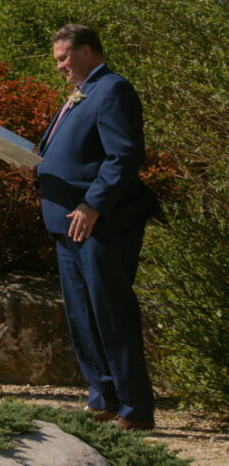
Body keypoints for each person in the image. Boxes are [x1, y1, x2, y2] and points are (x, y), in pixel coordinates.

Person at [25, 24, 158, 431]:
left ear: (87, 51)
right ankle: (102, 397)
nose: (60, 66)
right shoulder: (78, 95)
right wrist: (35, 166)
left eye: (64, 57)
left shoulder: (112, 90)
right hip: (65, 224)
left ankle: (135, 409)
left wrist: (93, 205)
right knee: (82, 316)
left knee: (111, 314)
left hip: (101, 225)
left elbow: (123, 156)